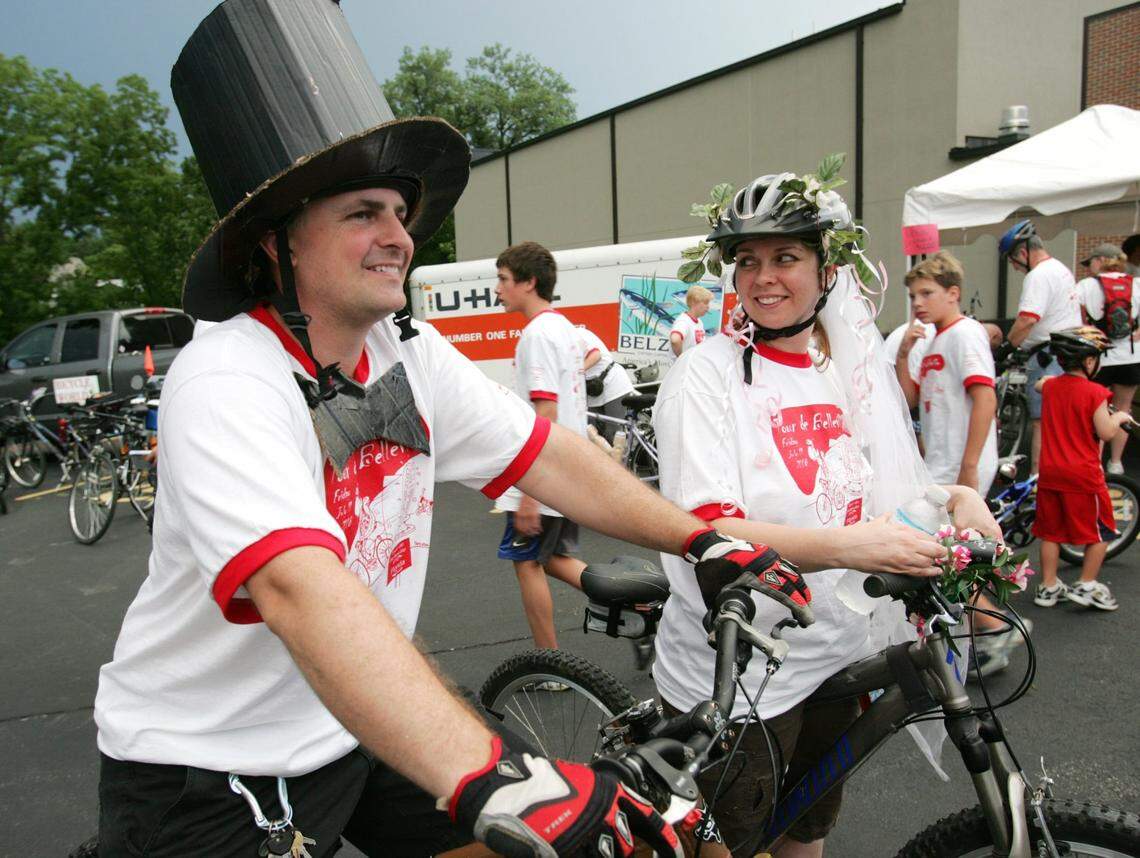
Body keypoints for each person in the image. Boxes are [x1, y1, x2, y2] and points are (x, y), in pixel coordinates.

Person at [92, 4, 793, 855]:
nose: (399, 237)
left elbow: (548, 458)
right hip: (207, 765)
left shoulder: (409, 353)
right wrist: (490, 775)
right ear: (276, 243)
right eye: (363, 214)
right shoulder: (227, 374)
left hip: (355, 720)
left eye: (399, 212)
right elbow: (297, 588)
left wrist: (704, 542)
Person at [652, 166, 999, 857]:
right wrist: (853, 548)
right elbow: (709, 530)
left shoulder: (845, 367)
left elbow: (874, 489)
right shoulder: (706, 375)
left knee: (806, 830)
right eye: (747, 261)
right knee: (727, 845)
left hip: (836, 649)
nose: (764, 277)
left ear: (826, 267)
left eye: (785, 257)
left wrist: (949, 497)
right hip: (744, 667)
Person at [492, 241, 590, 651]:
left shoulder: (536, 335)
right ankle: (637, 604)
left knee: (528, 563)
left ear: (529, 283)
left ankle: (550, 663)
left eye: (502, 279)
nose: (496, 289)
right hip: (568, 464)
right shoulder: (565, 329)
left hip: (546, 471)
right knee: (550, 559)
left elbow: (545, 412)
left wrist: (528, 493)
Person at [1031, 327, 1130, 611]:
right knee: (1102, 532)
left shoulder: (1050, 386)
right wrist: (1121, 415)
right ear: (1089, 362)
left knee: (1051, 533)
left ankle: (1048, 586)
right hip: (1083, 475)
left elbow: (1042, 383)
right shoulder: (1096, 392)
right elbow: (1106, 431)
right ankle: (1087, 583)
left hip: (1050, 473)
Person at [895, 252, 998, 495]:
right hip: (940, 464)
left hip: (958, 466)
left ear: (953, 294)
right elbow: (910, 400)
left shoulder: (965, 333)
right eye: (913, 296)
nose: (917, 303)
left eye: (926, 293)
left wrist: (969, 466)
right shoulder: (933, 340)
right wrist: (903, 355)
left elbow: (986, 398)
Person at [999, 219, 1082, 472]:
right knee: (1062, 422)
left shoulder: (1038, 275)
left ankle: (1037, 481)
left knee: (1042, 422)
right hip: (1066, 352)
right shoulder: (1060, 269)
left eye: (1013, 262)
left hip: (1048, 356)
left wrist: (1005, 347)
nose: (1014, 268)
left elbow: (1027, 320)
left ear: (1023, 253)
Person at [1077, 243, 1140, 474]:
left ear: (1101, 260)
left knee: (1098, 410)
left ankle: (1096, 462)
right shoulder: (1136, 284)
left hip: (1099, 359)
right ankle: (1116, 463)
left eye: (1091, 262)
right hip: (1131, 357)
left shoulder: (1085, 286)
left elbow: (1078, 321)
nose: (1089, 268)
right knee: (1124, 409)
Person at [578, 324, 636, 443]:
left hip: (613, 384)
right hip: (593, 389)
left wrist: (575, 372)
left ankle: (619, 461)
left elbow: (596, 355)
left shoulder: (576, 334)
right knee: (592, 432)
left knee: (612, 433)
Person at [668, 283, 712, 356]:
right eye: (705, 303)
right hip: (683, 367)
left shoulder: (699, 322)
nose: (708, 307)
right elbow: (675, 340)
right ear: (694, 302)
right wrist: (682, 358)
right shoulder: (684, 321)